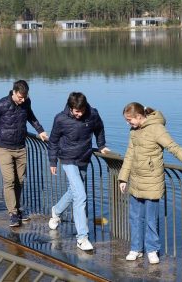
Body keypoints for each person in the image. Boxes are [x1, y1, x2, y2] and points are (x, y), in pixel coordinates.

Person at [117, 102, 182, 264]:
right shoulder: (133, 132)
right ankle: (136, 248)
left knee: (150, 219)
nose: (128, 123)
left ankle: (152, 250)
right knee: (135, 217)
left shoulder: (157, 129)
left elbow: (173, 147)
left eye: (129, 120)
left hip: (152, 181)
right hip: (135, 181)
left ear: (139, 116)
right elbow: (129, 155)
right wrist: (123, 178)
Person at [47, 92, 110, 251]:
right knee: (81, 195)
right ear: (70, 108)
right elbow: (53, 140)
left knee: (73, 191)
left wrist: (101, 145)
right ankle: (82, 238)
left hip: (84, 157)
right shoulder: (60, 119)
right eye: (76, 111)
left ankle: (56, 211)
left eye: (81, 111)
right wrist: (53, 161)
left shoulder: (92, 114)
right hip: (68, 159)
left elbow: (99, 128)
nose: (79, 114)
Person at [0, 80, 48, 227]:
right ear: (13, 92)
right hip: (4, 148)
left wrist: (40, 130)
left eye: (24, 97)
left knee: (20, 181)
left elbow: (31, 116)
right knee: (9, 180)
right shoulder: (0, 105)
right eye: (20, 97)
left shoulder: (26, 102)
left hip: (21, 148)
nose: (22, 100)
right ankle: (12, 213)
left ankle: (18, 210)